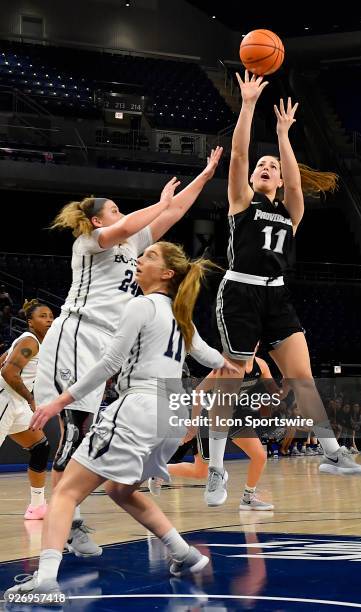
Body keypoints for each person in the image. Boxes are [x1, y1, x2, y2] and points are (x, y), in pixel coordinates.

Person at [4, 241, 238, 601]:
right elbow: (209, 357)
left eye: (148, 256)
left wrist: (62, 400)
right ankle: (184, 554)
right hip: (169, 413)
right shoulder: (179, 313)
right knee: (120, 489)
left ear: (166, 273)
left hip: (140, 407)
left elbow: (110, 363)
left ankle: (47, 580)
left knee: (66, 491)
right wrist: (230, 364)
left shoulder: (142, 305)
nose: (139, 260)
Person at [34, 147, 223, 555]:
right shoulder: (90, 240)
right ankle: (70, 522)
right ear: (97, 219)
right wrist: (159, 203)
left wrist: (204, 177)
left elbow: (171, 215)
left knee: (84, 431)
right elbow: (142, 219)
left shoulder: (135, 241)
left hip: (106, 341)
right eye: (116, 209)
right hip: (76, 335)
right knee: (72, 430)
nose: (123, 215)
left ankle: (71, 516)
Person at [205, 71, 361, 505]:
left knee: (303, 376)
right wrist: (249, 105)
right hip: (239, 291)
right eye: (263, 165)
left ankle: (331, 451)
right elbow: (239, 153)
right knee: (232, 378)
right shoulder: (241, 202)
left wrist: (282, 135)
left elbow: (297, 184)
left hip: (276, 295)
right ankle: (217, 468)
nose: (266, 166)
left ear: (278, 182)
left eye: (272, 166)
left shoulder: (290, 211)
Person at [150, 347, 276, 510]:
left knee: (259, 456)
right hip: (212, 419)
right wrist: (193, 425)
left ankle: (248, 498)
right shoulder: (227, 366)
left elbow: (272, 393)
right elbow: (199, 391)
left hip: (237, 418)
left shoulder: (261, 365)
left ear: (257, 343)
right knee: (201, 472)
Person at [0, 299, 54, 519]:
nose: (49, 319)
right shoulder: (30, 341)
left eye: (51, 315)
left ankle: (38, 506)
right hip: (5, 400)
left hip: (17, 404)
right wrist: (32, 399)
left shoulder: (34, 343)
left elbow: (2, 361)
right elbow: (8, 373)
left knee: (40, 448)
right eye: (43, 316)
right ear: (30, 322)